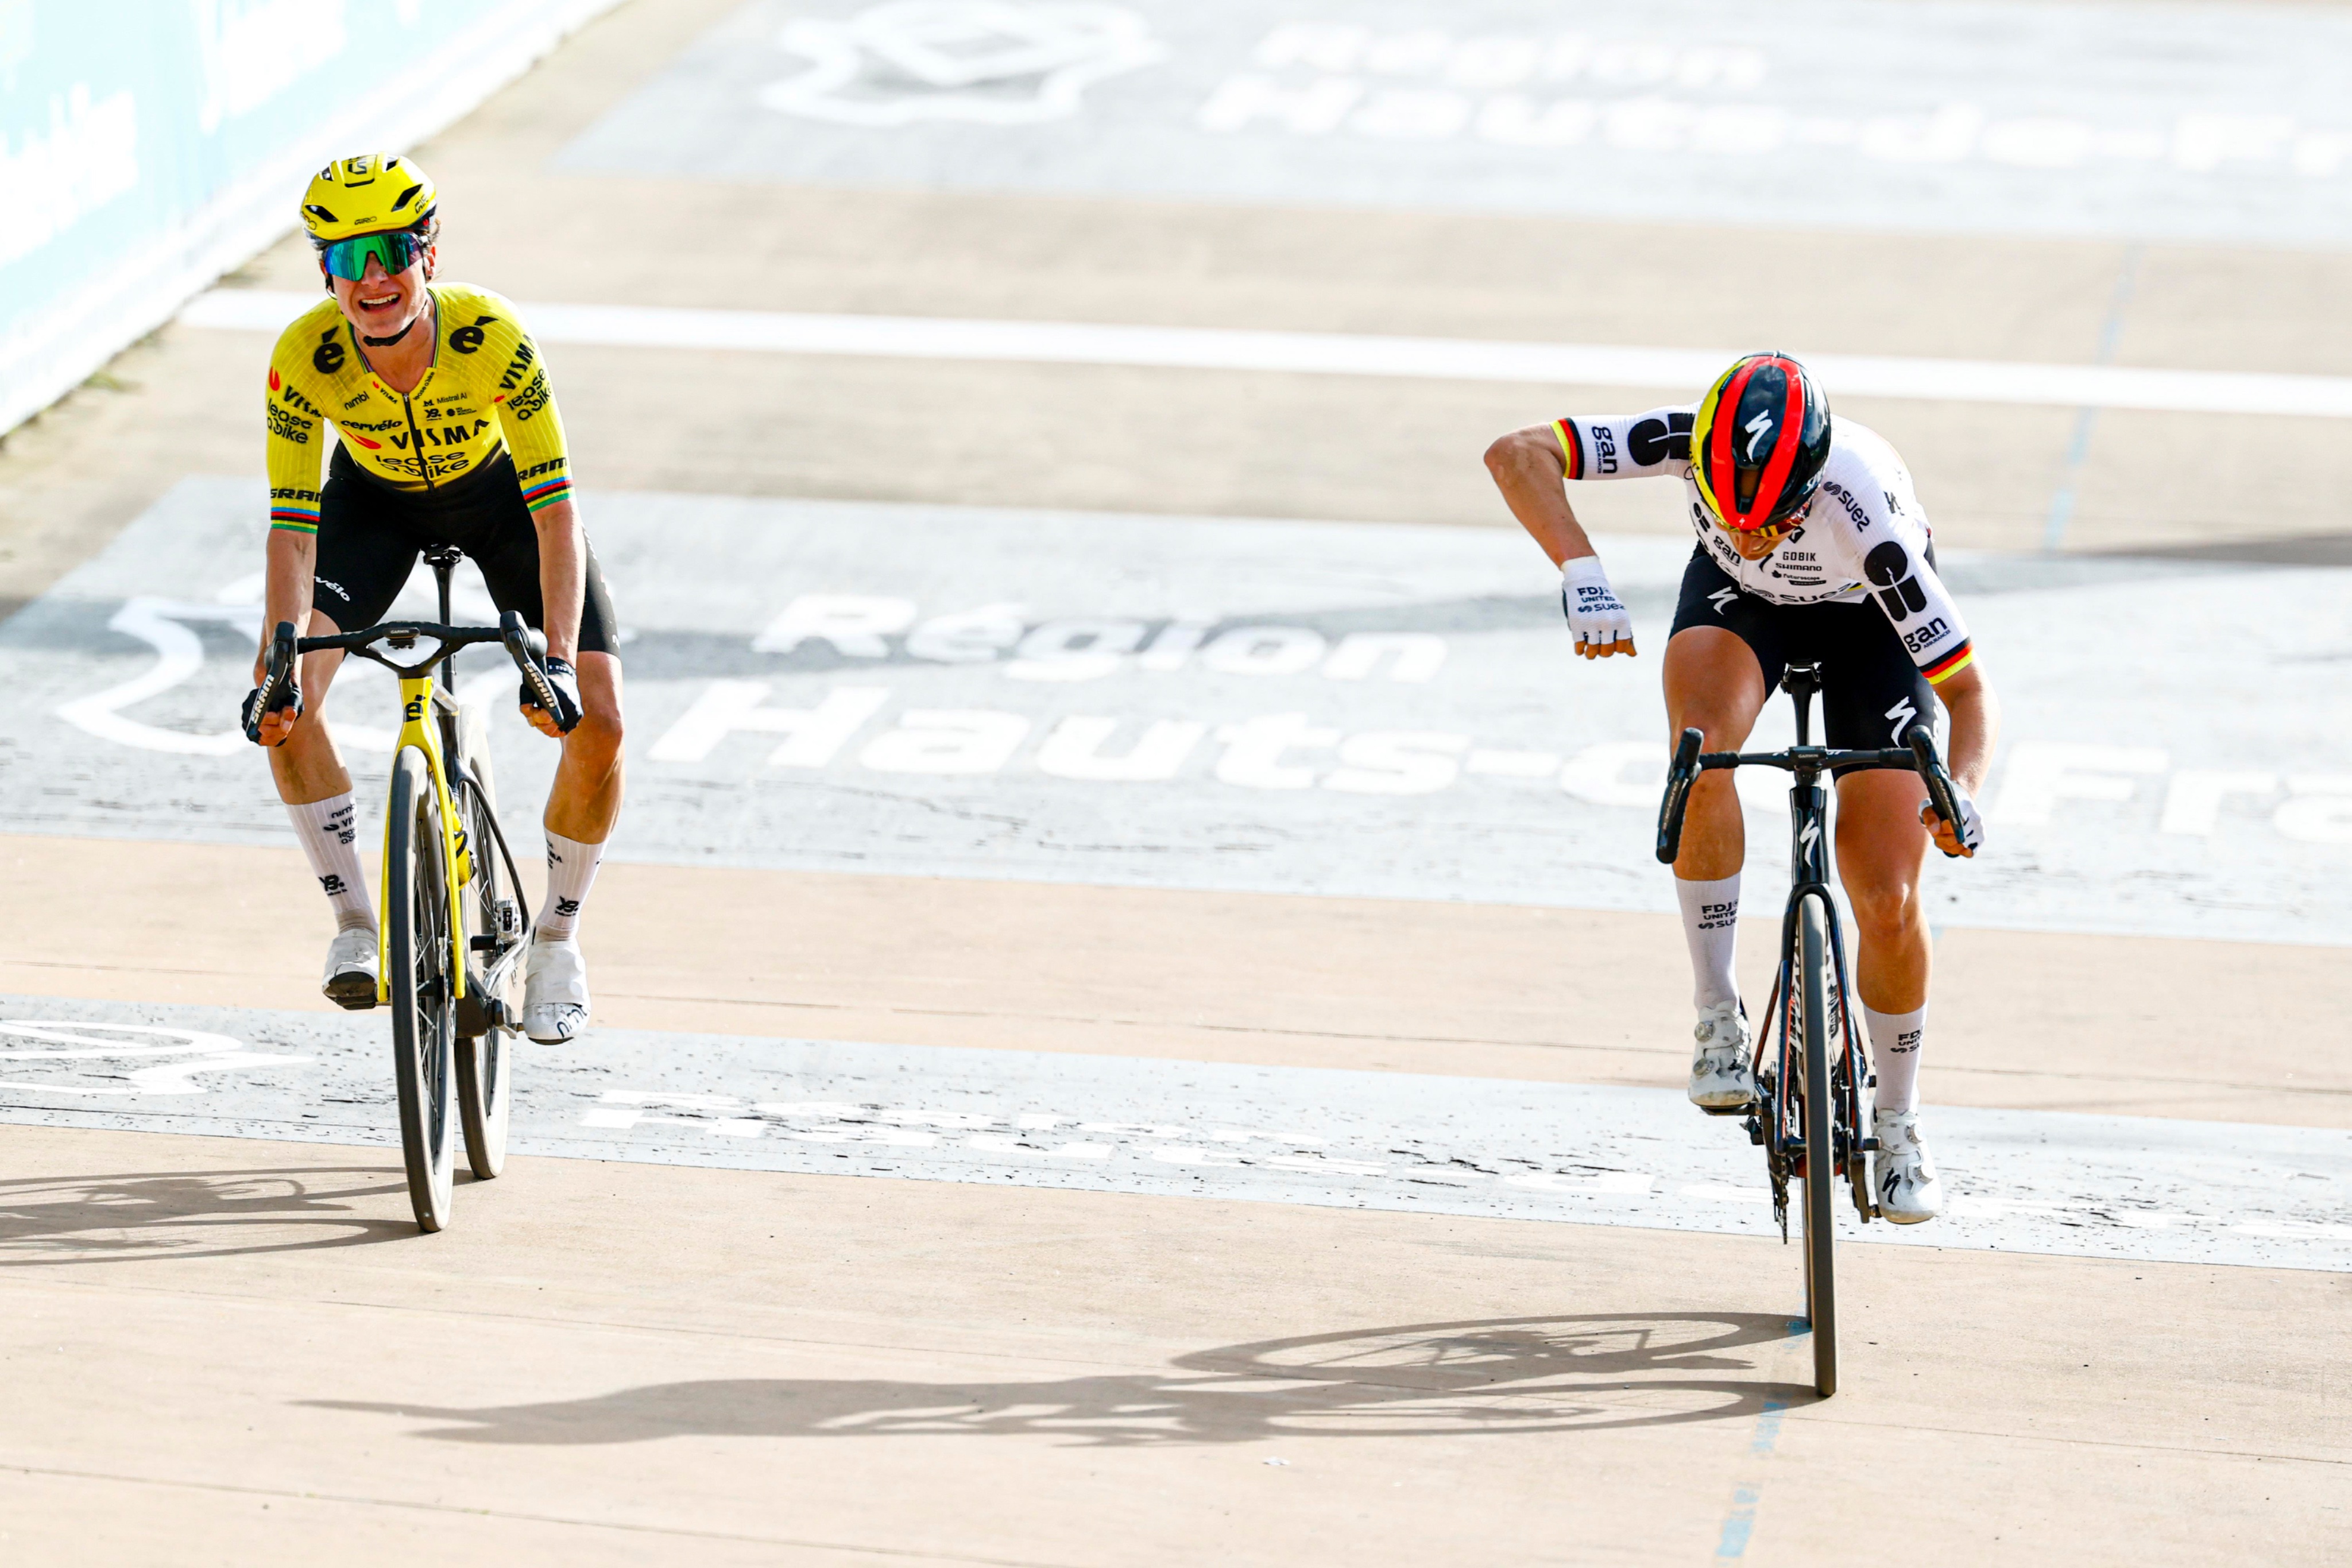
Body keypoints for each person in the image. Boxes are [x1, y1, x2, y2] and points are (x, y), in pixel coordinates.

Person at [1483, 353, 1999, 1223]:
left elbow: (1967, 693)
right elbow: (1516, 452)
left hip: (1867, 619)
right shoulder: (1687, 438)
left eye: (1772, 521)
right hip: (1740, 606)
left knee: (1885, 891)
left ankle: (1901, 1120)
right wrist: (1580, 566)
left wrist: (1967, 791)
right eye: (1733, 515)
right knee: (1701, 752)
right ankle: (1715, 1013)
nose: (1755, 534)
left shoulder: (1871, 524)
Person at [244, 153, 624, 1044]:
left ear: (428, 251)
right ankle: (356, 925)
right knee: (285, 704)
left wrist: (559, 662)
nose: (371, 277)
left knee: (599, 720)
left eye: (388, 250)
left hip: (503, 506)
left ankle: (558, 941)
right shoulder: (305, 357)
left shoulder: (489, 334)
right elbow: (294, 532)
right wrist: (280, 663)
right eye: (345, 257)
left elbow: (557, 513)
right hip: (369, 507)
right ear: (325, 271)